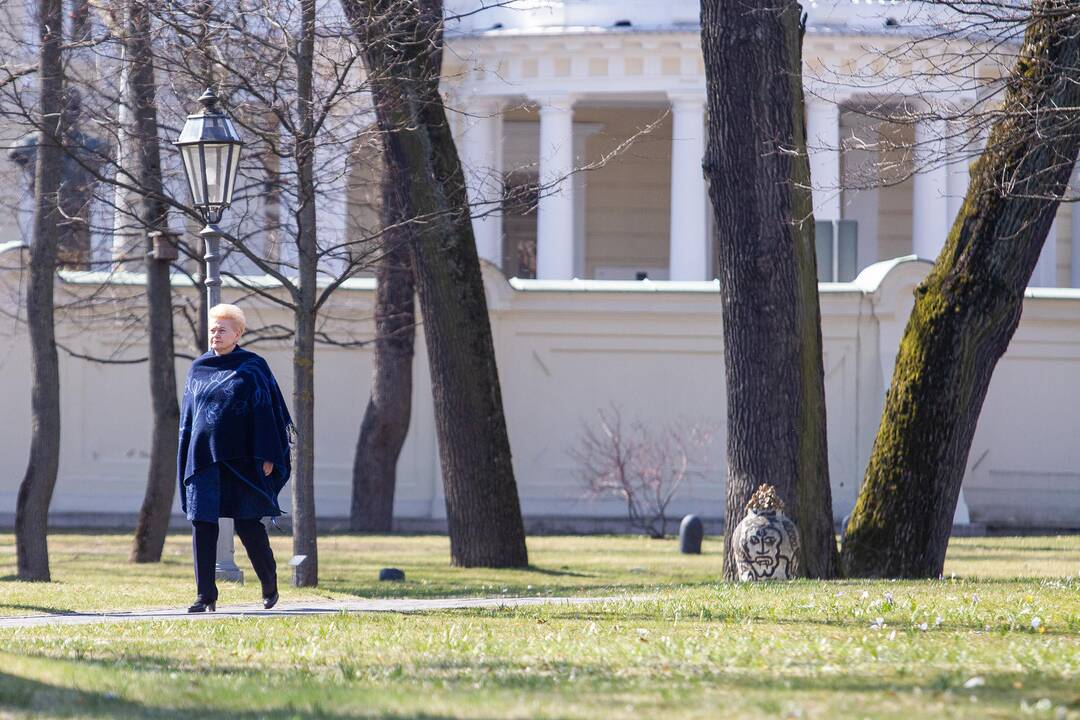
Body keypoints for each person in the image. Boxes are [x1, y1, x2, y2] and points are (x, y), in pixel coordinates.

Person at [177, 303, 293, 612]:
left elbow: (267, 411)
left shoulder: (253, 367)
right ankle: (205, 596)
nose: (216, 334)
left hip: (244, 459)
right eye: (213, 329)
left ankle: (269, 584)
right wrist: (188, 454)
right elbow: (190, 417)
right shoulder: (197, 368)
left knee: (247, 524)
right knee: (203, 524)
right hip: (204, 459)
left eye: (222, 329)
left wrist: (269, 455)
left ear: (238, 333)